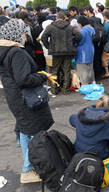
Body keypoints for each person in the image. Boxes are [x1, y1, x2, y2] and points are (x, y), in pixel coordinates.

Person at [0, 19, 54, 183]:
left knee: (25, 130)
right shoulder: (16, 52)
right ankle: (29, 169)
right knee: (33, 132)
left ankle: (28, 167)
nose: (26, 35)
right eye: (24, 32)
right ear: (16, 33)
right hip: (25, 99)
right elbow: (24, 79)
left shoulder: (6, 50)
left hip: (16, 97)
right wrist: (43, 76)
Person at [70, 93, 109, 160]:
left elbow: (71, 119)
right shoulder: (108, 121)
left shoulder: (83, 113)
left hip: (78, 151)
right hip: (97, 155)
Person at [41, 11, 82, 95]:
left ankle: (54, 89)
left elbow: (43, 37)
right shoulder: (70, 27)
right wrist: (73, 42)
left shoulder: (51, 27)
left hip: (55, 52)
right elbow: (79, 35)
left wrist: (49, 46)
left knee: (55, 71)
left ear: (56, 18)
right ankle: (65, 90)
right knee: (67, 70)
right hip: (68, 51)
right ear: (64, 18)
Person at [75, 16, 95, 85]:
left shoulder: (83, 31)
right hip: (91, 50)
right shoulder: (91, 28)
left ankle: (85, 86)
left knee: (83, 71)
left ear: (80, 23)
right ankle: (92, 83)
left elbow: (80, 41)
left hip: (83, 52)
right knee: (90, 69)